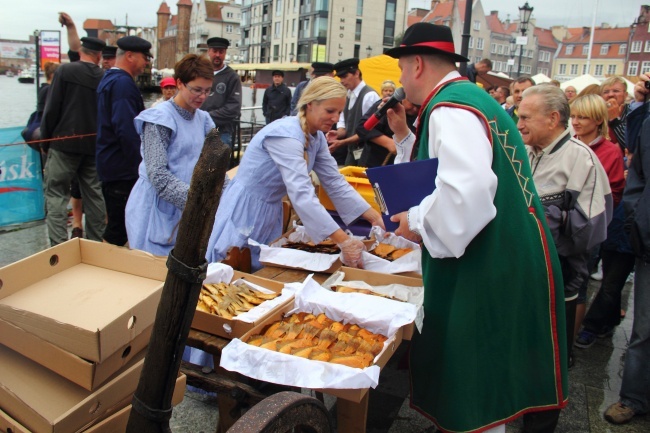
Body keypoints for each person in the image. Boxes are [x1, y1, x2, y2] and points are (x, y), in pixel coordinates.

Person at [383, 22, 568, 433]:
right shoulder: (469, 99)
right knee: (494, 377)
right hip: (512, 252)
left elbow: (466, 195)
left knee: (478, 381)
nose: (399, 81)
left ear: (415, 65)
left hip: (490, 263)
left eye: (399, 71)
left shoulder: (451, 106)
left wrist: (414, 221)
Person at [206, 76, 384, 270]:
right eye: (330, 111)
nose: (335, 118)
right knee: (228, 266)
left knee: (259, 268)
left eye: (339, 112)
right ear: (309, 105)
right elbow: (301, 193)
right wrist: (343, 240)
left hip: (269, 210)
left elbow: (335, 182)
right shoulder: (286, 135)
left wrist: (376, 218)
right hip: (245, 208)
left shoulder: (316, 137)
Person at [520, 85, 613, 377]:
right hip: (520, 273)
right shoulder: (521, 152)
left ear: (553, 118)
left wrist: (536, 218)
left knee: (550, 361)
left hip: (558, 278)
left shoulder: (582, 158)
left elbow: (590, 228)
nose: (518, 124)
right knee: (522, 353)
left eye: (525, 117)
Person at [125, 54, 215, 256]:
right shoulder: (160, 119)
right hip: (155, 207)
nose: (202, 96)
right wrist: (197, 200)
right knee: (152, 269)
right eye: (197, 90)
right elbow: (158, 175)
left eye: (207, 91)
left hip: (186, 205)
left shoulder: (204, 119)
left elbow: (212, 164)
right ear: (180, 84)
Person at [602, 73, 650, 425]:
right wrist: (638, 221)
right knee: (644, 327)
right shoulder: (646, 122)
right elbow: (638, 179)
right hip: (649, 240)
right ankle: (633, 396)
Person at [568, 94, 625, 351]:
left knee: (578, 286)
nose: (576, 122)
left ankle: (570, 341)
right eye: (574, 116)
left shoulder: (610, 151)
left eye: (583, 117)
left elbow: (611, 194)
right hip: (566, 223)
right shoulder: (570, 143)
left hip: (588, 226)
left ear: (598, 120)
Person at [40, 36, 107, 246]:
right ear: (98, 56)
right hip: (92, 145)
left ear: (81, 53)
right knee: (94, 195)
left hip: (64, 143)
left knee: (56, 193)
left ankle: (59, 246)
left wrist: (45, 140)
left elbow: (51, 109)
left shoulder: (64, 71)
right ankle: (95, 244)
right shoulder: (103, 76)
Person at [96, 36, 151, 246]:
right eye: (144, 57)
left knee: (117, 223)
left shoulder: (109, 79)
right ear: (130, 56)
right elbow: (127, 130)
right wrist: (143, 165)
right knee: (119, 229)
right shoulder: (123, 85)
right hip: (122, 169)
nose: (146, 62)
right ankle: (102, 273)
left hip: (110, 164)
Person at [327, 58, 380, 165]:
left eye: (345, 76)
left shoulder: (369, 96)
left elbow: (370, 131)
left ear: (356, 73)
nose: (342, 81)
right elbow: (345, 126)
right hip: (353, 152)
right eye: (340, 77)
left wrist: (342, 142)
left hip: (368, 154)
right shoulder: (348, 95)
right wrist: (337, 133)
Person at [201, 37, 242, 148]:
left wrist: (205, 117)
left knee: (217, 165)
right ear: (209, 51)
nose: (217, 55)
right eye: (214, 51)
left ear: (225, 53)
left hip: (220, 132)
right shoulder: (200, 73)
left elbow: (233, 107)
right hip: (198, 131)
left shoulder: (232, 77)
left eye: (221, 52)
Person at [356, 97, 418, 167]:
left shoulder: (422, 112)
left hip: (401, 164)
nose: (415, 109)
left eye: (418, 106)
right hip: (375, 162)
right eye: (412, 104)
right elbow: (362, 127)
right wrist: (388, 143)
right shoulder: (389, 104)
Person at [601, 76, 629, 150]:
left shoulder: (633, 115)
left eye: (616, 91)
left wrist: (614, 119)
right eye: (606, 92)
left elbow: (629, 145)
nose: (610, 95)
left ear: (625, 95)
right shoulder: (596, 115)